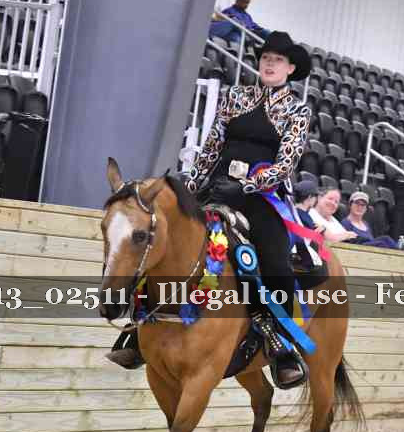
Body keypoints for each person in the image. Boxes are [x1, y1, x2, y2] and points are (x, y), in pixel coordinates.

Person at [109, 30, 312, 388]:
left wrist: (246, 186)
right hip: (216, 188)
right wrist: (191, 188)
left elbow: (286, 164)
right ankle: (138, 328)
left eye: (277, 60)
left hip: (260, 198)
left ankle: (280, 345)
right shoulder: (236, 97)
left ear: (290, 68)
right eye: (266, 58)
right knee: (161, 238)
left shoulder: (297, 110)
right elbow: (212, 147)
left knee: (275, 261)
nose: (269, 64)